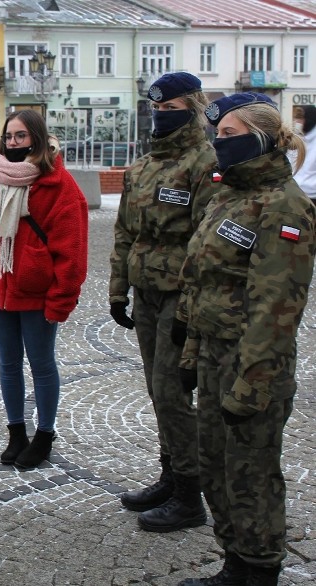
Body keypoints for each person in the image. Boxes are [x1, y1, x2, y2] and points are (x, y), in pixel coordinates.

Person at [176, 93, 316, 586]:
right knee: (214, 463)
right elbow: (203, 279)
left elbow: (276, 309)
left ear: (261, 139)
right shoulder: (228, 195)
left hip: (251, 361)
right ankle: (233, 560)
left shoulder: (286, 206)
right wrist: (192, 351)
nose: (218, 142)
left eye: (230, 135)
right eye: (217, 134)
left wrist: (252, 384)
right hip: (215, 353)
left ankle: (258, 568)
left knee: (250, 471)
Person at [108, 72, 220, 533]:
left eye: (170, 108)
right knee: (159, 392)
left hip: (180, 296)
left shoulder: (204, 162)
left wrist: (192, 311)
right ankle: (171, 474)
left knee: (173, 392)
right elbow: (123, 233)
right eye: (155, 108)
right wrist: (117, 289)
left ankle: (190, 496)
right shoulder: (143, 166)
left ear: (192, 108)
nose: (160, 115)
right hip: (146, 292)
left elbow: (207, 243)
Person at [0, 110, 88, 469]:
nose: (13, 143)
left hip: (37, 293)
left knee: (41, 364)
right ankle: (16, 432)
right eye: (8, 136)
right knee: (8, 364)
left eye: (21, 136)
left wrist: (62, 299)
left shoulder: (58, 183)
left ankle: (44, 434)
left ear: (36, 138)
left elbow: (72, 250)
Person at [292, 104, 316, 202]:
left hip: (313, 195)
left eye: (300, 119)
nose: (297, 122)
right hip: (296, 193)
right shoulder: (297, 139)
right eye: (296, 119)